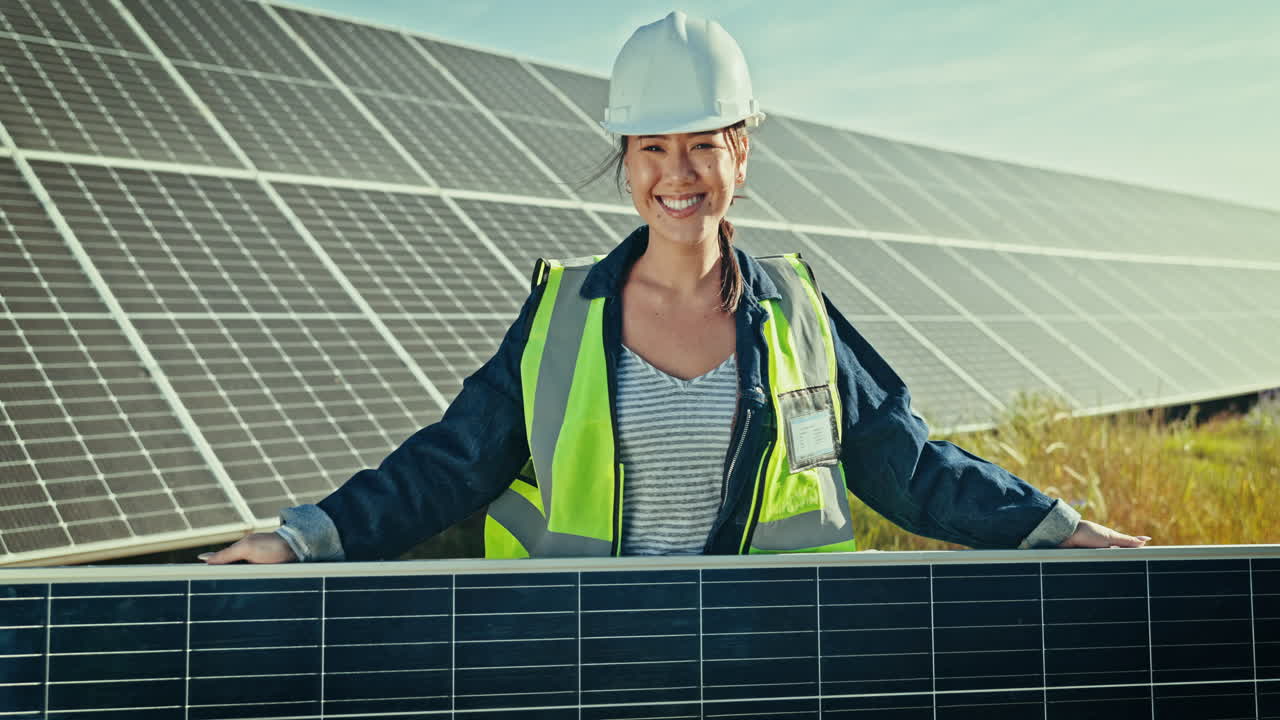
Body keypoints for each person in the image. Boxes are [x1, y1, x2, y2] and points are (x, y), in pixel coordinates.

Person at [201, 11, 1147, 566]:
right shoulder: (561, 316)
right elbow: (451, 465)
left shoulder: (798, 315)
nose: (678, 172)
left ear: (741, 153)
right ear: (626, 160)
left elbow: (905, 465)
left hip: (764, 667)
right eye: (653, 146)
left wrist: (1051, 527)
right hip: (587, 664)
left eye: (702, 144)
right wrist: (307, 537)